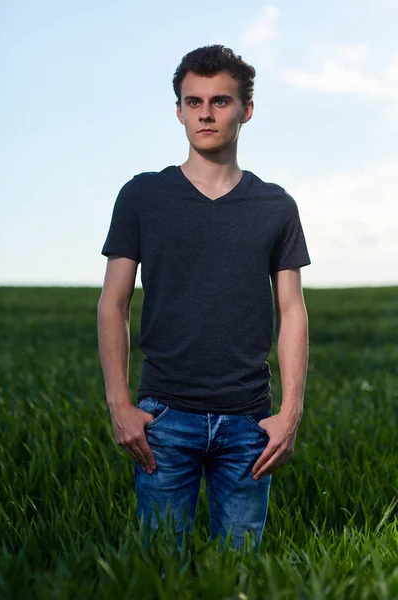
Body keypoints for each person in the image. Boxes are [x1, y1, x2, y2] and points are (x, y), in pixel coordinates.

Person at [97, 44, 311, 555]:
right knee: (158, 573)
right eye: (193, 102)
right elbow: (113, 303)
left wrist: (290, 413)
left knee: (238, 577)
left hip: (248, 423)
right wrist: (119, 405)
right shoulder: (143, 195)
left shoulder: (275, 205)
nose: (205, 113)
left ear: (246, 111)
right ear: (178, 111)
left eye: (220, 101)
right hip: (163, 419)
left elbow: (292, 311)